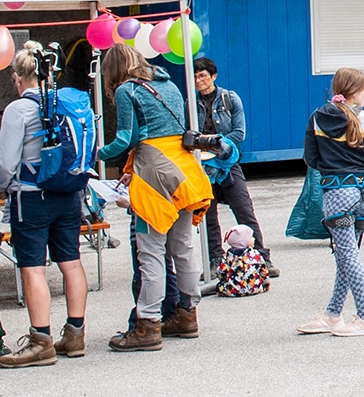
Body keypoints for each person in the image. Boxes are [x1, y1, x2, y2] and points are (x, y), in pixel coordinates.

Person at [97, 43, 214, 351]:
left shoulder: (126, 91)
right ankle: (187, 315)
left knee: (150, 251)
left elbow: (127, 138)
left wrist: (95, 155)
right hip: (184, 170)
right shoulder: (168, 82)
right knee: (183, 246)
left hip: (153, 174)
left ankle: (148, 325)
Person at [0, 43, 88, 367]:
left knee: (32, 268)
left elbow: (6, 163)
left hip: (31, 195)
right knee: (71, 261)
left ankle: (41, 340)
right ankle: (75, 334)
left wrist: (2, 188)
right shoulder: (65, 101)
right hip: (68, 193)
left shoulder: (17, 110)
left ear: (17, 76)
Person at [296, 68, 364, 337]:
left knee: (347, 254)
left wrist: (332, 168)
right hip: (362, 196)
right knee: (347, 255)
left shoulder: (317, 118)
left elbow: (310, 159)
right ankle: (333, 314)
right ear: (353, 92)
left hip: (338, 197)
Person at [192, 57, 272, 277]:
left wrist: (212, 143)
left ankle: (261, 257)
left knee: (244, 209)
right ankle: (215, 261)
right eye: (195, 76)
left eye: (203, 76)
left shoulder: (229, 98)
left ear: (213, 76)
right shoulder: (189, 102)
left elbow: (239, 133)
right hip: (202, 167)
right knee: (208, 216)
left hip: (227, 162)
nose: (199, 81)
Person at [212, 225, 269, 298]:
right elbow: (263, 270)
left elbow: (221, 271)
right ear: (243, 240)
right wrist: (266, 283)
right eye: (251, 237)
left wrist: (223, 280)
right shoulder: (255, 254)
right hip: (254, 288)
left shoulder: (228, 257)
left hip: (233, 290)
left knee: (219, 287)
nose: (253, 239)